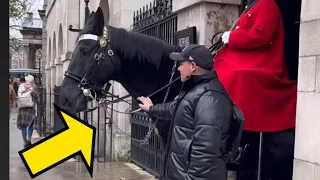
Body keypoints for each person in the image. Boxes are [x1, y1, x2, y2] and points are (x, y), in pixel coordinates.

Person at [213, 0, 297, 179]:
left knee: (236, 75)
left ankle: (236, 131)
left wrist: (232, 37)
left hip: (262, 62)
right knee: (216, 71)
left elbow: (262, 35)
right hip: (243, 57)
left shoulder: (267, 4)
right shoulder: (252, 6)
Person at [138, 44, 234, 180]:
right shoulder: (194, 91)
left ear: (193, 67)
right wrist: (151, 108)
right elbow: (174, 108)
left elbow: (205, 153)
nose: (178, 68)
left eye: (181, 64)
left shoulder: (210, 98)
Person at [17, 75, 39, 148]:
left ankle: (25, 141)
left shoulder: (21, 86)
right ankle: (29, 140)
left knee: (23, 126)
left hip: (22, 109)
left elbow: (18, 96)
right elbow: (37, 96)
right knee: (30, 125)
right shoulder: (33, 88)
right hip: (31, 108)